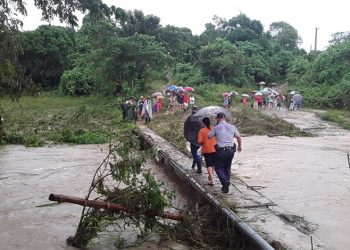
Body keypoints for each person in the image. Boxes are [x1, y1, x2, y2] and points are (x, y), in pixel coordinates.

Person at [208, 112, 242, 193]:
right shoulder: (232, 127)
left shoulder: (216, 127)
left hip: (221, 151)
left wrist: (215, 133)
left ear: (218, 119)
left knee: (218, 167)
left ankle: (225, 182)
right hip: (231, 151)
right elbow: (238, 137)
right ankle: (226, 183)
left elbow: (209, 136)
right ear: (224, 118)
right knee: (227, 167)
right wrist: (239, 146)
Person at [198, 117, 216, 185]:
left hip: (206, 149)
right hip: (215, 149)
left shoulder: (202, 130)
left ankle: (211, 179)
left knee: (209, 164)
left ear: (203, 123)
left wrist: (203, 142)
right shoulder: (214, 129)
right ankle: (211, 177)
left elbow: (200, 141)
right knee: (213, 164)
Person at [190, 106, 202, 173]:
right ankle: (193, 165)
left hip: (193, 139)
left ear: (192, 110)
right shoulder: (201, 118)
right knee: (196, 152)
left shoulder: (191, 118)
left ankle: (199, 168)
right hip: (200, 139)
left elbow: (188, 128)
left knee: (194, 153)